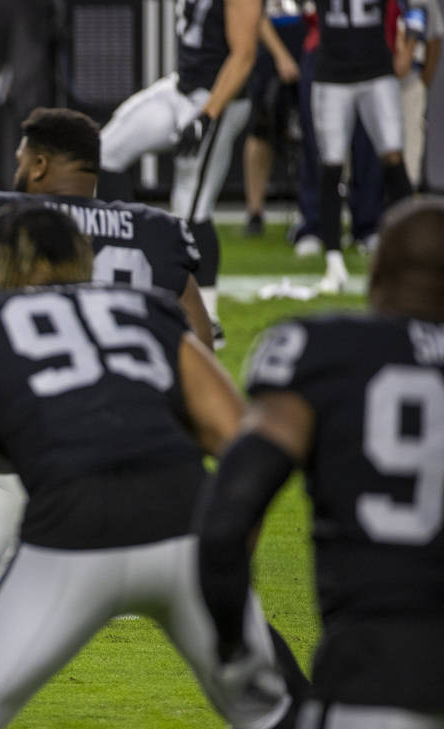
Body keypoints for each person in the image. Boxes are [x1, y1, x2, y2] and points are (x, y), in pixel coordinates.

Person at [0, 204, 301, 729]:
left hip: (69, 536)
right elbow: (241, 441)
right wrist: (231, 547)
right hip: (186, 525)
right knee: (275, 715)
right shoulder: (144, 307)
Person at [197, 195, 444, 729]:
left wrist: (234, 646)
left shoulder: (324, 351)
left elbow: (227, 519)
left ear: (377, 273)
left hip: (378, 675)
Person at [0, 107, 214, 348]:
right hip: (136, 385)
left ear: (39, 166)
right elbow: (201, 342)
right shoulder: (159, 228)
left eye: (22, 162)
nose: (18, 171)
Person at [99, 0, 262, 348]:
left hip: (218, 99)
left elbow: (244, 55)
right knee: (104, 151)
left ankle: (209, 317)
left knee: (191, 207)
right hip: (180, 86)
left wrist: (207, 115)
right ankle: (125, 263)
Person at [310, 0, 415, 293]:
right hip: (332, 73)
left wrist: (408, 45)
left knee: (394, 157)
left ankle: (409, 254)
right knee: (331, 165)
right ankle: (333, 262)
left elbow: (414, 7)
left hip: (376, 70)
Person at [242, 9, 304, 237]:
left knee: (316, 131)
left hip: (311, 41)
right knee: (261, 129)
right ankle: (255, 211)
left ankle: (311, 210)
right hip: (270, 46)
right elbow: (255, 12)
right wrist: (280, 55)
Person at [395, 0, 443, 190]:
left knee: (411, 146)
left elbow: (435, 39)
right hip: (376, 76)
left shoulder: (423, 1)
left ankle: (408, 200)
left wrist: (424, 81)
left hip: (411, 79)